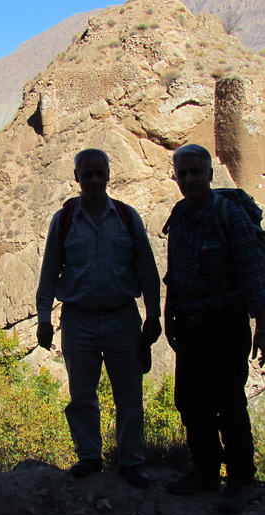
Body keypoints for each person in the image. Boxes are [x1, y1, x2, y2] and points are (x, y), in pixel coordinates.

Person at [36, 148, 161, 488]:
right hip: (78, 320)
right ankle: (89, 456)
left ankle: (131, 461)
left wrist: (154, 314)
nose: (92, 179)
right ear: (76, 177)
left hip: (123, 318)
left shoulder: (126, 217)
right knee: (81, 393)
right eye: (86, 174)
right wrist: (44, 318)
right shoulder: (63, 220)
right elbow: (49, 272)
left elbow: (147, 270)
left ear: (108, 175)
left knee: (130, 394)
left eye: (98, 173)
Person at [163, 144, 265, 512]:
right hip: (190, 325)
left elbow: (251, 272)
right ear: (176, 178)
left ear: (210, 175)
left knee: (228, 402)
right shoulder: (178, 216)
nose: (191, 179)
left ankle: (241, 480)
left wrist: (262, 326)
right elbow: (174, 273)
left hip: (225, 325)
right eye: (184, 174)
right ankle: (205, 471)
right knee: (190, 401)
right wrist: (169, 316)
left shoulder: (230, 216)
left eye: (197, 172)